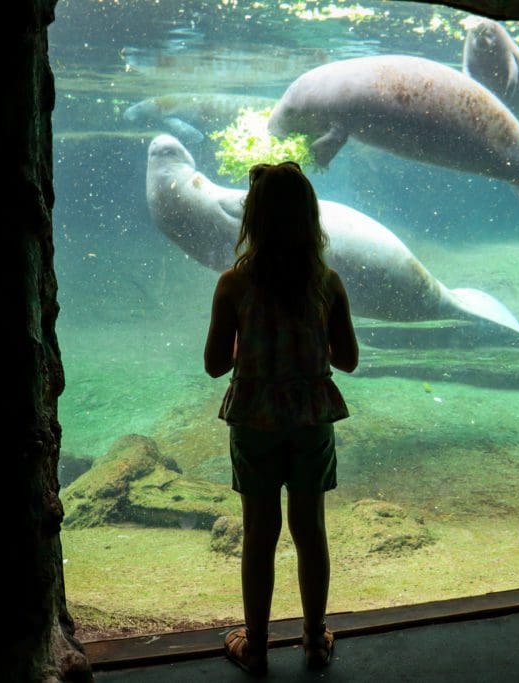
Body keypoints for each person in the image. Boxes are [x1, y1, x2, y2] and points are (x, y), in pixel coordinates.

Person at [204, 161, 359, 674]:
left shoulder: (233, 283)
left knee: (259, 532)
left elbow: (214, 365)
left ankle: (258, 647)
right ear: (311, 219)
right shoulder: (327, 282)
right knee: (310, 529)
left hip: (254, 420)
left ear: (252, 220)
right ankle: (315, 641)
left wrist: (246, 339)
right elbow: (348, 359)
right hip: (311, 419)